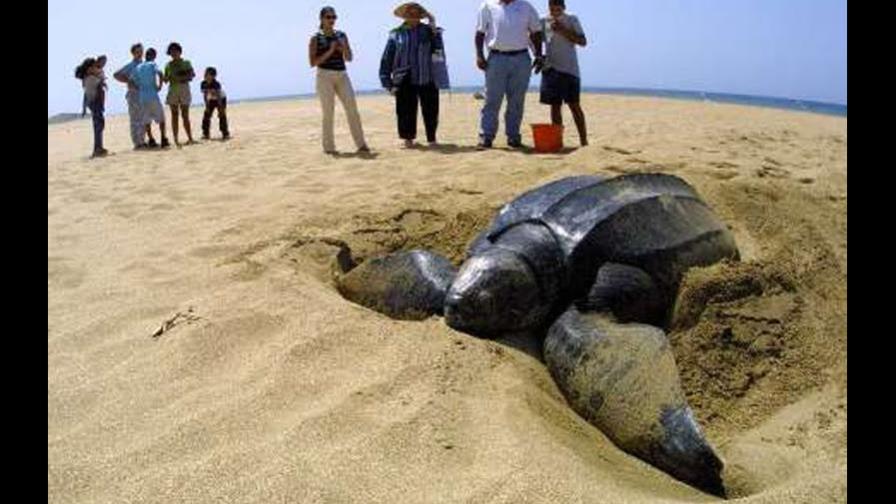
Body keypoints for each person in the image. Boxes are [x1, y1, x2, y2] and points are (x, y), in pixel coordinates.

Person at [475, 0, 544, 149]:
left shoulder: (526, 6)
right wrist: (479, 56)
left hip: (521, 58)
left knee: (517, 101)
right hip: (496, 58)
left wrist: (539, 55)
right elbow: (480, 33)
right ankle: (486, 136)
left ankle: (513, 137)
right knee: (492, 99)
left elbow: (536, 32)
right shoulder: (487, 5)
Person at [379, 3, 448, 148]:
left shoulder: (429, 31)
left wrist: (432, 23)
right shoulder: (396, 34)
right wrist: (387, 82)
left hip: (428, 75)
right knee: (405, 110)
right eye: (410, 14)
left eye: (417, 14)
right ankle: (408, 139)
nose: (413, 16)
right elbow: (387, 58)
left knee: (431, 109)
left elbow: (438, 50)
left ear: (421, 16)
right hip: (404, 76)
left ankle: (432, 139)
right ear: (404, 16)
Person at [308, 6, 370, 155]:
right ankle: (329, 148)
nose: (332, 20)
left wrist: (342, 49)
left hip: (342, 75)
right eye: (328, 17)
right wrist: (330, 50)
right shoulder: (315, 38)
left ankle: (361, 144)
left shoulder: (341, 35)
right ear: (321, 19)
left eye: (334, 17)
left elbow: (349, 58)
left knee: (352, 110)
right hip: (324, 76)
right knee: (328, 112)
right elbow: (313, 62)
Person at [541, 0, 588, 146]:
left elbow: (583, 41)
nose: (554, 12)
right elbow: (540, 41)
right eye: (552, 9)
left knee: (574, 105)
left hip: (570, 70)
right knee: (555, 106)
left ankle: (584, 141)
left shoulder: (572, 19)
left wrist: (562, 30)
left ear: (563, 7)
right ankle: (558, 142)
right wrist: (539, 57)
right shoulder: (544, 21)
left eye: (558, 9)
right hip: (551, 69)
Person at [113, 43, 157, 149]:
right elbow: (116, 74)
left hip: (144, 94)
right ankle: (137, 143)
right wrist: (129, 81)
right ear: (133, 53)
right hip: (133, 95)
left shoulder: (145, 64)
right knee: (135, 119)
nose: (140, 53)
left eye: (141, 51)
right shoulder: (131, 65)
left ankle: (142, 140)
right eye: (137, 52)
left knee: (144, 118)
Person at [133, 48, 171, 148]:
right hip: (153, 96)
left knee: (146, 120)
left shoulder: (138, 67)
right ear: (154, 56)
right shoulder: (152, 64)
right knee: (161, 118)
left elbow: (132, 80)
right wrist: (160, 86)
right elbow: (160, 73)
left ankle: (151, 139)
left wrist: (139, 88)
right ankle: (163, 138)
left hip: (142, 97)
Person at [163, 42, 197, 146]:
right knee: (174, 115)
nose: (174, 53)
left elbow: (192, 75)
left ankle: (190, 138)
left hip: (184, 89)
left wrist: (180, 77)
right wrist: (165, 77)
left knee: (185, 115)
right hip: (173, 90)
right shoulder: (168, 65)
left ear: (179, 51)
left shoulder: (186, 62)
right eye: (171, 51)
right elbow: (165, 80)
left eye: (175, 51)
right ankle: (176, 139)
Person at [75, 58, 107, 158]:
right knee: (98, 127)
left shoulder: (87, 79)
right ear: (89, 69)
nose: (95, 68)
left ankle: (99, 147)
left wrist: (84, 108)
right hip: (95, 104)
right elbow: (100, 85)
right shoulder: (91, 79)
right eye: (94, 67)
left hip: (94, 104)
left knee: (99, 126)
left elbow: (86, 95)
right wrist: (101, 76)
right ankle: (97, 149)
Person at [200, 67, 230, 140]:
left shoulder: (216, 84)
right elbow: (205, 95)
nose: (205, 75)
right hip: (211, 100)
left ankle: (225, 133)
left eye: (207, 74)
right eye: (205, 73)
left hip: (221, 99)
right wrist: (207, 106)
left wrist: (220, 108)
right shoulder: (203, 83)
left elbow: (218, 96)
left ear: (213, 76)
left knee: (221, 115)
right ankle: (205, 133)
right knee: (206, 115)